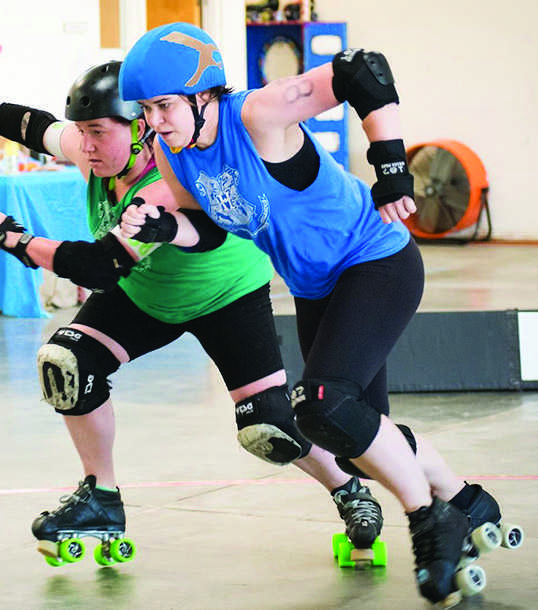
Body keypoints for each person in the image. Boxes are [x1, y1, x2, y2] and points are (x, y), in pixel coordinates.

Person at [118, 23, 512, 604]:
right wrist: (162, 227)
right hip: (315, 286)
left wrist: (392, 167)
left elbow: (363, 69)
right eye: (146, 109)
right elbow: (208, 229)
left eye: (166, 105)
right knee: (355, 435)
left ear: (205, 95)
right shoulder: (172, 154)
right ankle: (464, 498)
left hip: (374, 260)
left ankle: (431, 518)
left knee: (324, 405)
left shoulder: (259, 115)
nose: (155, 120)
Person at [0, 61, 385, 565]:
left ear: (138, 130)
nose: (86, 145)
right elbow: (28, 123)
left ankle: (346, 486)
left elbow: (97, 266)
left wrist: (13, 237)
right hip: (144, 295)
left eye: (97, 132)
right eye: (81, 133)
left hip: (223, 294)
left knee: (266, 426)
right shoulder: (86, 146)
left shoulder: (162, 180)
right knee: (67, 363)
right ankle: (101, 497)